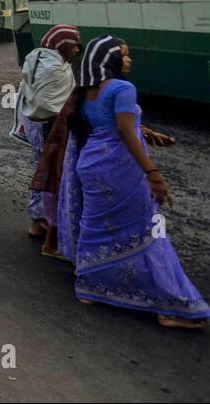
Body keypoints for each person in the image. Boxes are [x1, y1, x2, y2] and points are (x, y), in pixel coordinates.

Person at [64, 37, 207, 328]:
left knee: (97, 226)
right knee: (148, 229)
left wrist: (146, 132)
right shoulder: (122, 88)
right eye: (124, 55)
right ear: (110, 59)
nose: (129, 60)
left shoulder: (86, 91)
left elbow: (110, 123)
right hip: (120, 168)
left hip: (91, 165)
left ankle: (91, 287)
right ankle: (171, 306)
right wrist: (153, 174)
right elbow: (126, 132)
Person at [17, 24, 80, 255]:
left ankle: (39, 219)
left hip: (36, 123)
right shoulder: (53, 67)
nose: (76, 49)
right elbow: (47, 104)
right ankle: (42, 220)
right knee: (49, 173)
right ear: (62, 43)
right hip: (48, 126)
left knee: (43, 169)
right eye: (74, 44)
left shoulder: (39, 56)